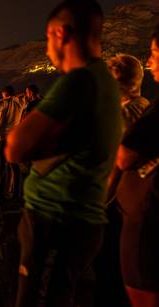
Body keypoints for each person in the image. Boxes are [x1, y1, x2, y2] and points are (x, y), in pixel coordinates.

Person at [5, 1, 122, 306]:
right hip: (77, 220)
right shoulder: (104, 80)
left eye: (46, 39)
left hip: (56, 220)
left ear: (60, 33)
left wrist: (34, 140)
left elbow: (15, 147)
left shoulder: (77, 82)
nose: (46, 50)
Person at [95, 53, 151, 307]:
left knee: (110, 279)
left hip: (117, 211)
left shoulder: (124, 115)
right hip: (136, 208)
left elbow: (116, 167)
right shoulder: (145, 106)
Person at [115, 24, 159, 307]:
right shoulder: (146, 104)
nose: (150, 60)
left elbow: (124, 157)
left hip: (147, 231)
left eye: (155, 52)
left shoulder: (128, 112)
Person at [0, 85, 23, 199]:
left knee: (3, 166)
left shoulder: (4, 102)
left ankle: (1, 192)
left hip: (5, 136)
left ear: (5, 94)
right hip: (15, 136)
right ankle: (16, 192)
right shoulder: (19, 103)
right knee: (15, 167)